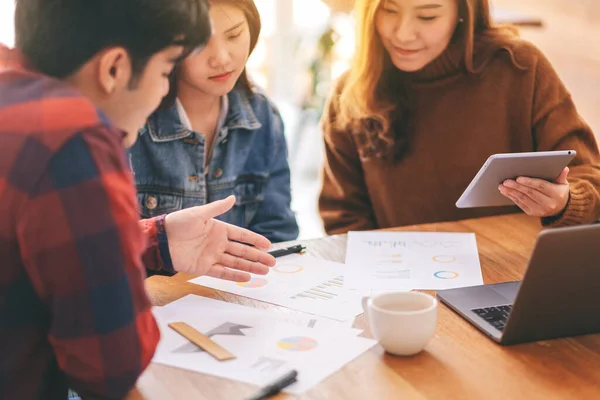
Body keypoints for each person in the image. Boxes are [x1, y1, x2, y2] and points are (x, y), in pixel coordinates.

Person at [0, 0, 275, 399]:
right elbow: (109, 369)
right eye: (166, 71)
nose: (165, 89)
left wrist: (155, 238)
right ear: (114, 69)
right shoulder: (75, 142)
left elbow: (44, 246)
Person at [319, 0, 600, 234]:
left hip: (512, 273)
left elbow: (590, 178)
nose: (403, 33)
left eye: (427, 16)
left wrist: (565, 202)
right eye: (389, 10)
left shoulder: (519, 68)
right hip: (399, 289)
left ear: (463, 12)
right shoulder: (351, 94)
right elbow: (343, 218)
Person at [128, 0, 299, 243]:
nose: (221, 58)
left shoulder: (263, 115)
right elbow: (110, 248)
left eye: (234, 35)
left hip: (243, 281)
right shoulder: (131, 123)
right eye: (199, 43)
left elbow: (278, 233)